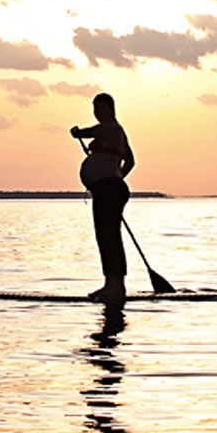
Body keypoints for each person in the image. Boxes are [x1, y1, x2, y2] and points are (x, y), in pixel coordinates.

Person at [70, 92, 134, 302]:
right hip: (108, 189)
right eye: (94, 108)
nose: (97, 112)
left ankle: (116, 287)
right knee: (105, 237)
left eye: (100, 107)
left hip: (110, 190)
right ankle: (111, 284)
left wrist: (77, 132)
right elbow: (130, 161)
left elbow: (87, 132)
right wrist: (113, 176)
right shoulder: (117, 134)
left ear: (110, 109)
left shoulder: (112, 128)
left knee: (109, 236)